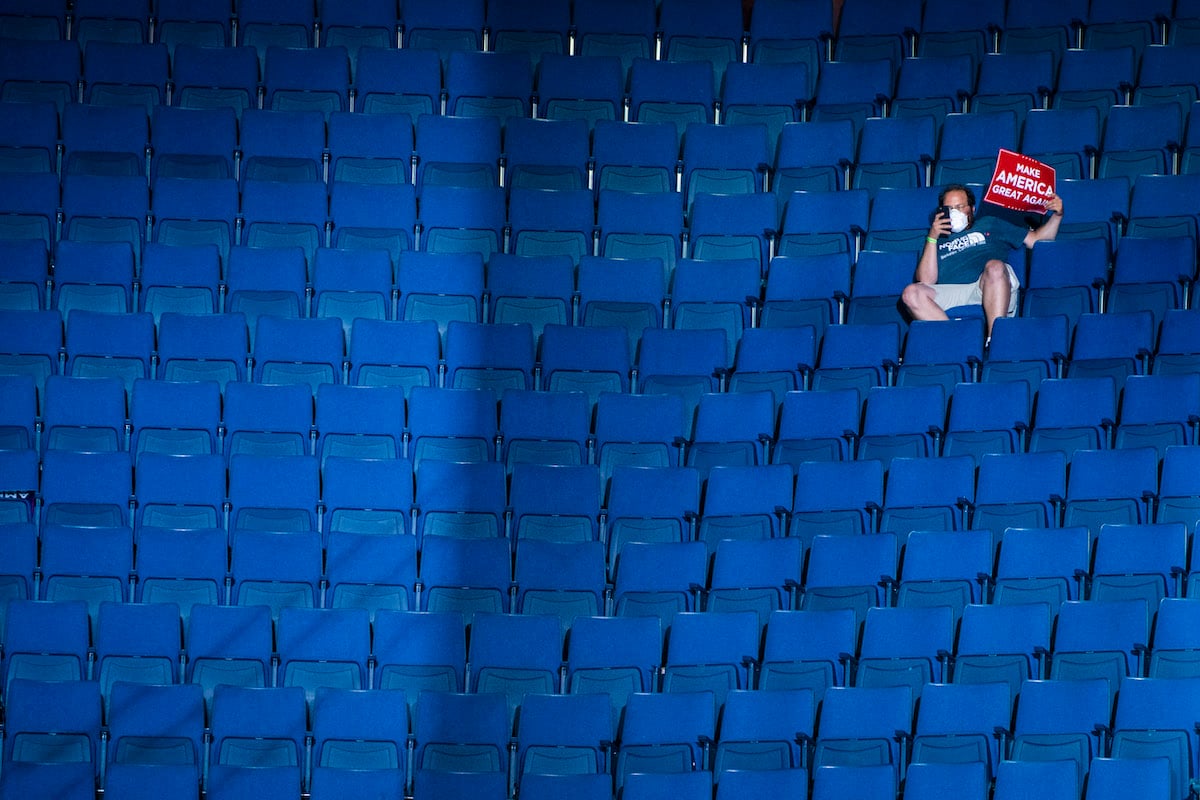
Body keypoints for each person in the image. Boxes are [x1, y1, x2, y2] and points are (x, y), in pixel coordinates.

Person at [901, 183, 1064, 341]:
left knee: (994, 266)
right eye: (949, 209)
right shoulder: (936, 238)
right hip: (954, 292)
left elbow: (1037, 240)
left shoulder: (990, 223)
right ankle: (954, 341)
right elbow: (926, 281)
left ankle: (996, 340)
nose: (955, 213)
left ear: (972, 209)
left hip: (990, 285)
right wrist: (932, 237)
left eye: (960, 207)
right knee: (911, 293)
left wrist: (1057, 216)